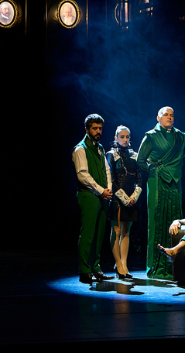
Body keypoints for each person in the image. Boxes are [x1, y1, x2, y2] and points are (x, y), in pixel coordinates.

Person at [137, 106, 185, 280]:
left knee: (175, 218)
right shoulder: (151, 136)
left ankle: (174, 266)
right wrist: (153, 170)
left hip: (174, 180)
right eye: (166, 115)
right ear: (158, 117)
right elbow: (140, 160)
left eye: (172, 115)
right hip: (156, 181)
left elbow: (182, 158)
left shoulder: (181, 136)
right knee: (156, 220)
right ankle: (155, 267)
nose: (169, 117)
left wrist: (171, 170)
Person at [72, 114, 114, 284]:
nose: (98, 131)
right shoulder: (80, 149)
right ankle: (84, 270)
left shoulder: (100, 148)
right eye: (95, 128)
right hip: (89, 195)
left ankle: (95, 268)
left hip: (102, 195)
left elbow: (107, 170)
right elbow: (83, 175)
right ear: (87, 129)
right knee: (88, 233)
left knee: (99, 234)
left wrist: (108, 189)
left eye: (100, 128)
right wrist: (101, 190)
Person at [106, 126, 141, 279]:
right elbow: (111, 179)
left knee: (126, 232)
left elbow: (139, 179)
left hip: (131, 198)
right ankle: (118, 264)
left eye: (127, 137)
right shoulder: (111, 155)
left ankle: (124, 264)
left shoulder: (134, 155)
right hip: (117, 198)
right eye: (122, 137)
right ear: (116, 138)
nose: (125, 139)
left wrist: (134, 197)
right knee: (116, 231)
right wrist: (124, 198)